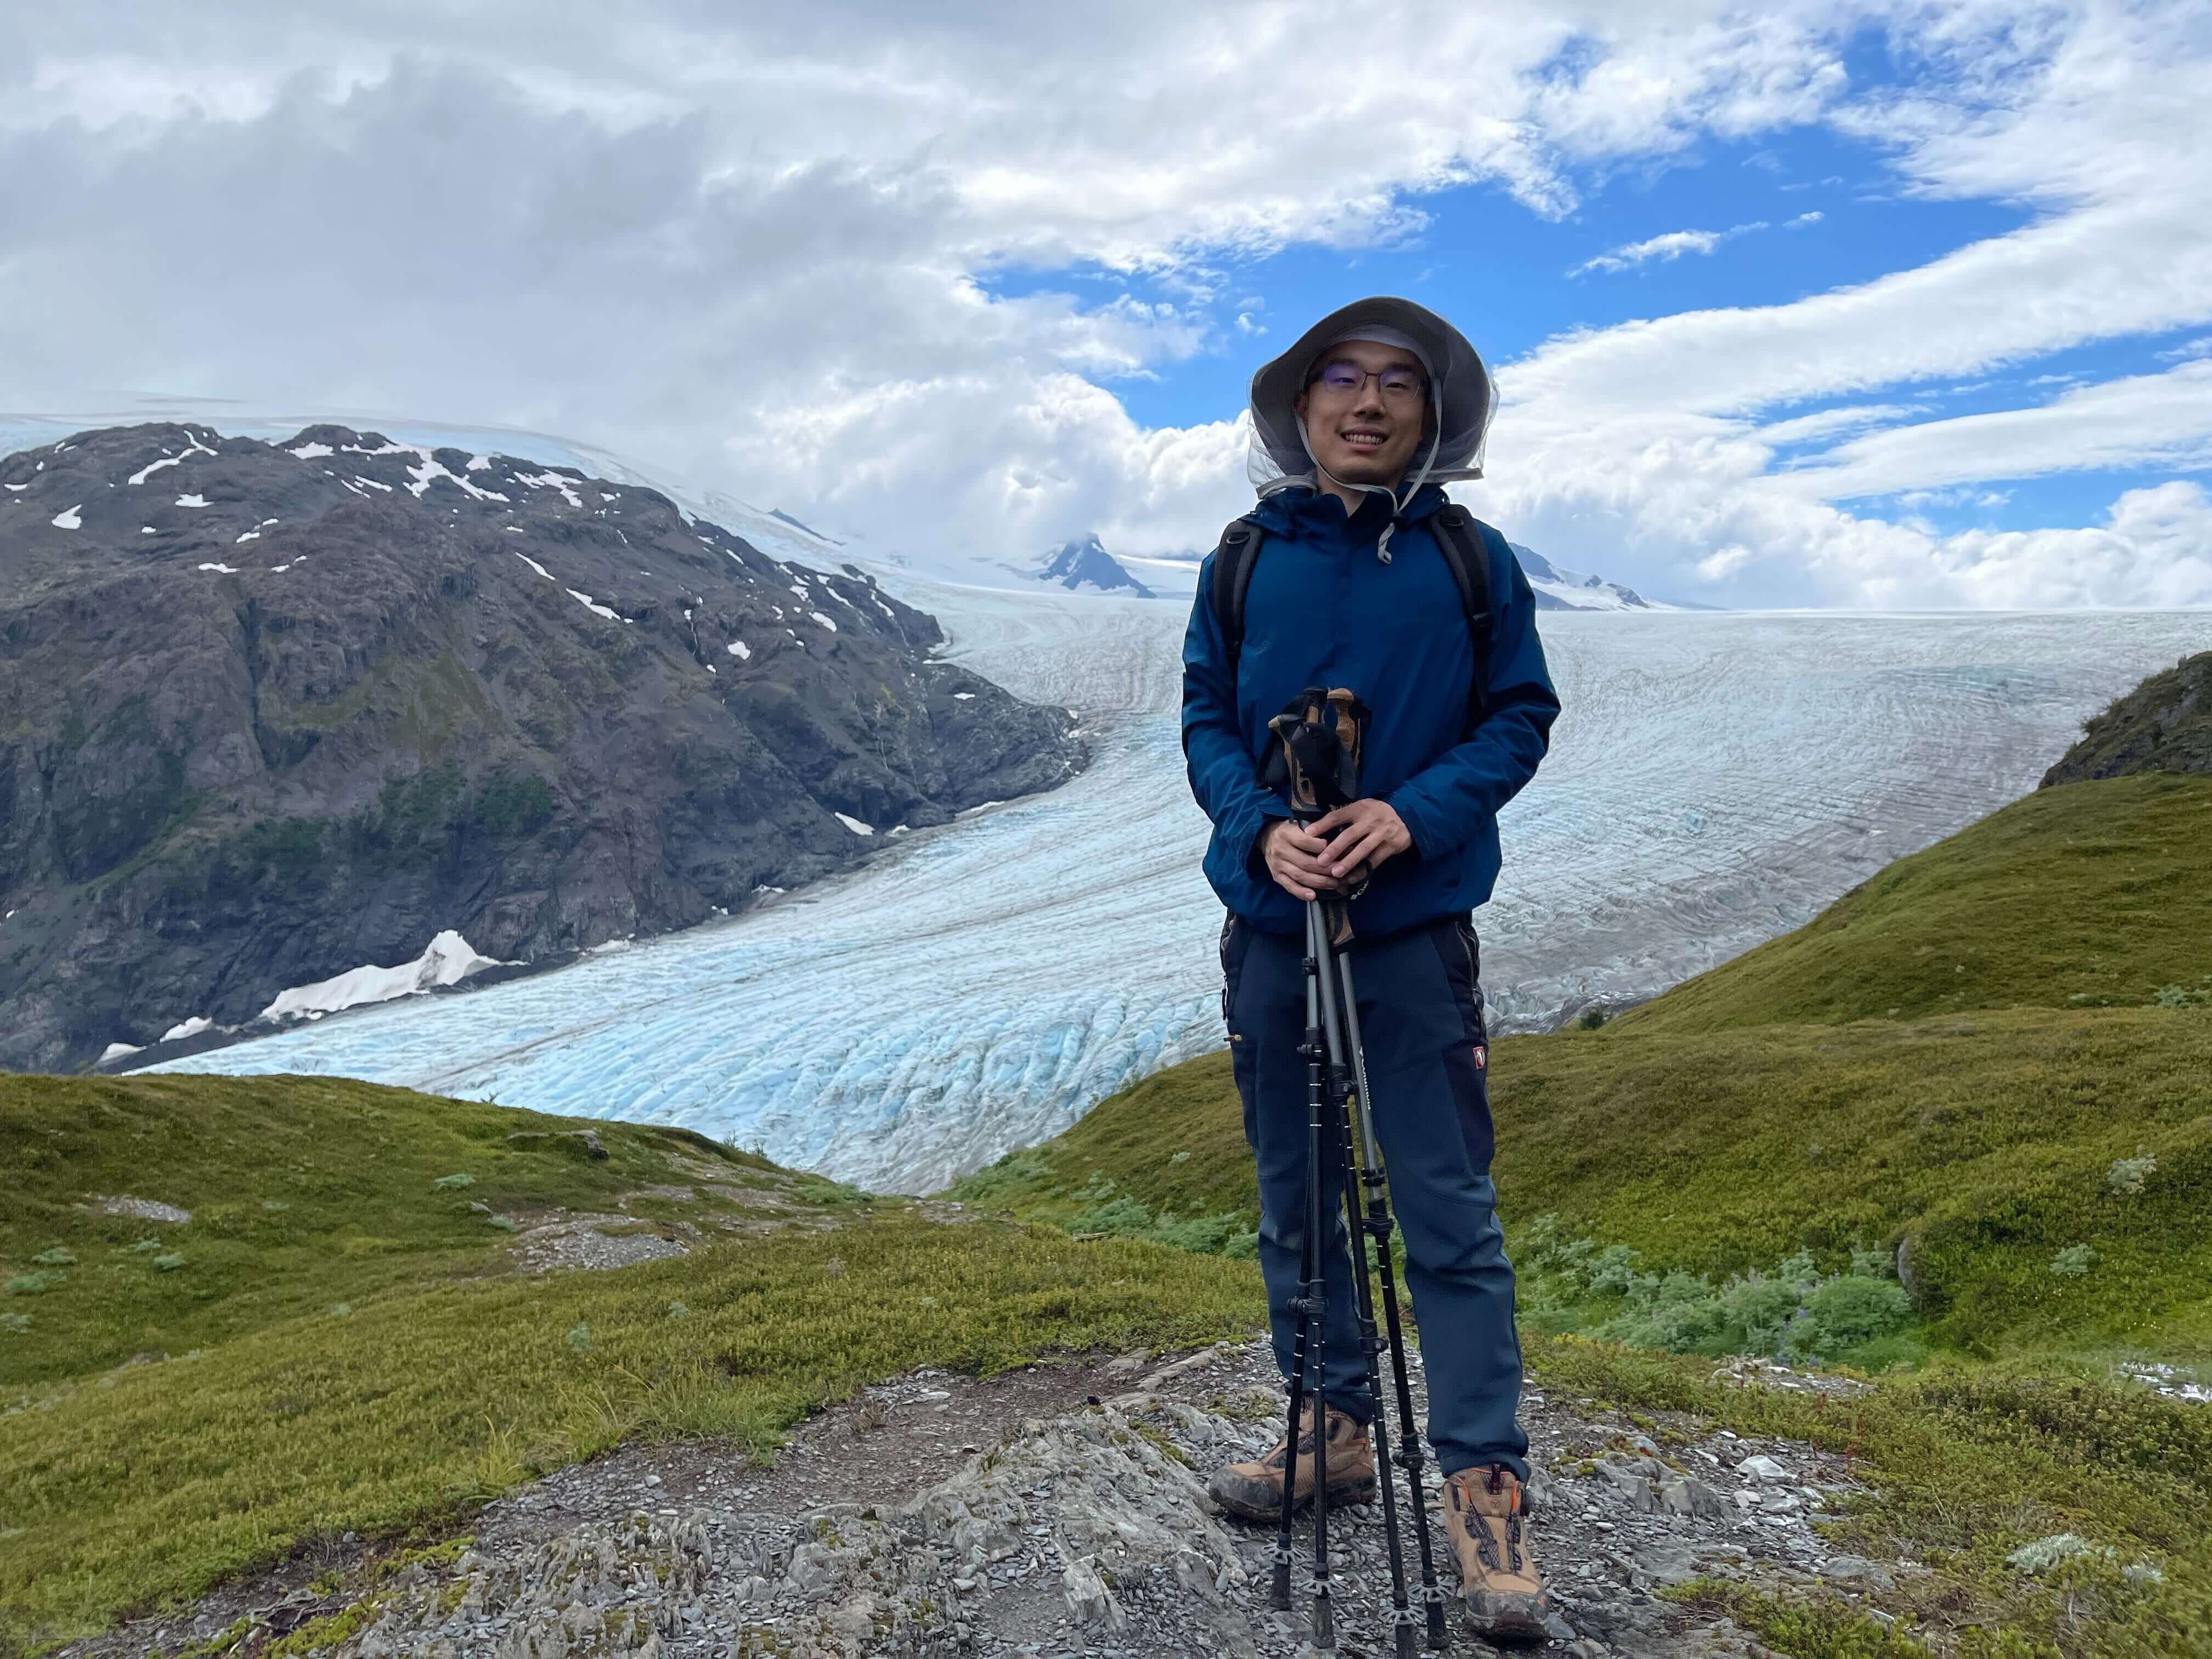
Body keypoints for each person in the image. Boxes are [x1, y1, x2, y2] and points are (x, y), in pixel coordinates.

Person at [1180, 296, 1561, 1640]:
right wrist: (1259, 826)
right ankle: (1333, 1425)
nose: (1368, 401)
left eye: (1399, 381)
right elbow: (1206, 721)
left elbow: (1520, 714)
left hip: (1411, 934)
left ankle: (1485, 1490)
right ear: (1301, 407)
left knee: (1445, 1210)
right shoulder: (1243, 561)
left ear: (1432, 414)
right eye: (1341, 377)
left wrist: (1412, 814)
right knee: (1296, 1196)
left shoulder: (1469, 560)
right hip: (1273, 928)